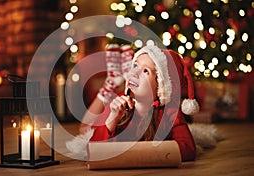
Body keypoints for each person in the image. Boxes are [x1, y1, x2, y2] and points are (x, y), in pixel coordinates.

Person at [67, 44, 200, 162]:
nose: (134, 73)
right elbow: (93, 150)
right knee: (85, 128)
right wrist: (111, 121)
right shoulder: (119, 104)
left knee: (85, 127)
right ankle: (111, 83)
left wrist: (141, 153)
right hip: (111, 110)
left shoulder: (170, 111)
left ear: (161, 87)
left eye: (145, 71)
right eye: (135, 65)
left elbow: (188, 149)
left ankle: (113, 80)